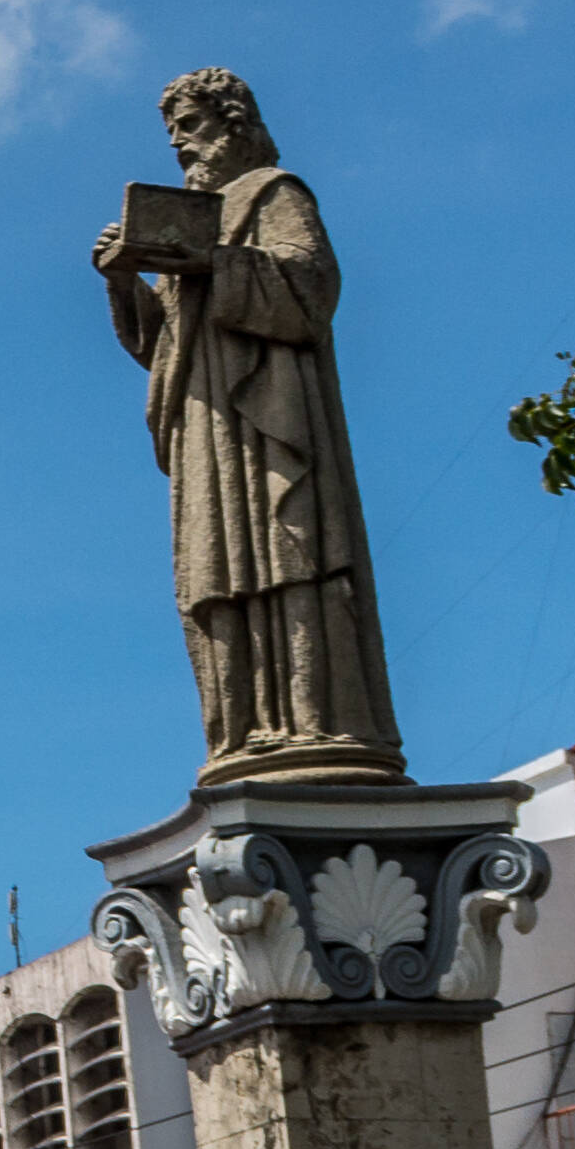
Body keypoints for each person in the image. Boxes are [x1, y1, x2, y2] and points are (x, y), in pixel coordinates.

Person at [94, 69, 406, 781]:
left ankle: (315, 719)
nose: (179, 142)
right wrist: (123, 279)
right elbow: (162, 346)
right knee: (214, 571)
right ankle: (239, 731)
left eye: (192, 125)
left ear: (233, 123)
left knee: (286, 548)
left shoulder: (274, 193)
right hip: (205, 422)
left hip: (270, 416)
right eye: (171, 131)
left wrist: (210, 260)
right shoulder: (190, 217)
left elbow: (310, 289)